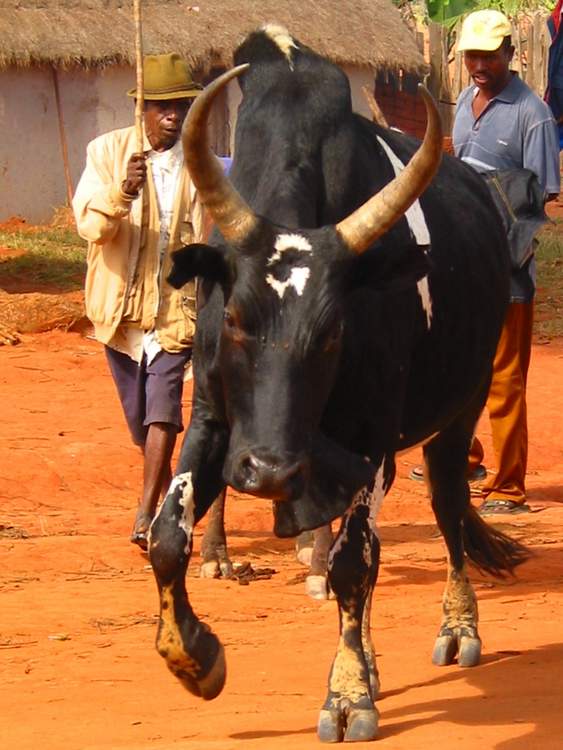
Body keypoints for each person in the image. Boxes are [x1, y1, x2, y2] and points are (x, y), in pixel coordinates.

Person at [411, 10, 560, 514]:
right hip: (459, 261)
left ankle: (509, 485)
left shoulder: (530, 113)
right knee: (461, 365)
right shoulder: (463, 107)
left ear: (509, 54)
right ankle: (464, 458)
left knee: (505, 377)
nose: (477, 65)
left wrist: (507, 248)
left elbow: (542, 196)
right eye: (471, 56)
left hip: (507, 264)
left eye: (487, 56)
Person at [73, 53, 206, 549]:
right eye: (163, 106)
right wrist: (120, 192)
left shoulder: (201, 164)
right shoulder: (106, 153)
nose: (173, 115)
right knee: (139, 422)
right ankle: (171, 491)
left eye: (181, 106)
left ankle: (147, 514)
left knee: (163, 411)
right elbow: (90, 227)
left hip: (176, 309)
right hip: (121, 314)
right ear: (142, 109)